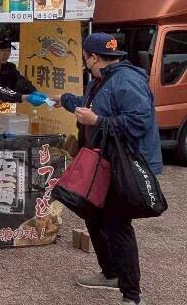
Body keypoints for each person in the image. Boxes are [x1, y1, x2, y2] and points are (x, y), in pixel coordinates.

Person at [52, 33, 163, 305]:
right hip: (103, 162)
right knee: (91, 213)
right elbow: (90, 104)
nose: (85, 63)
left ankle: (131, 295)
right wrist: (64, 99)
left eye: (85, 59)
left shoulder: (127, 80)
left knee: (116, 223)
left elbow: (139, 121)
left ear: (94, 58)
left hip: (125, 164)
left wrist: (98, 121)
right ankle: (111, 273)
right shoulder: (102, 79)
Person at [0, 35, 48, 108]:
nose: (6, 54)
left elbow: (21, 81)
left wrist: (33, 91)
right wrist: (25, 97)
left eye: (8, 50)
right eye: (2, 50)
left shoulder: (9, 67)